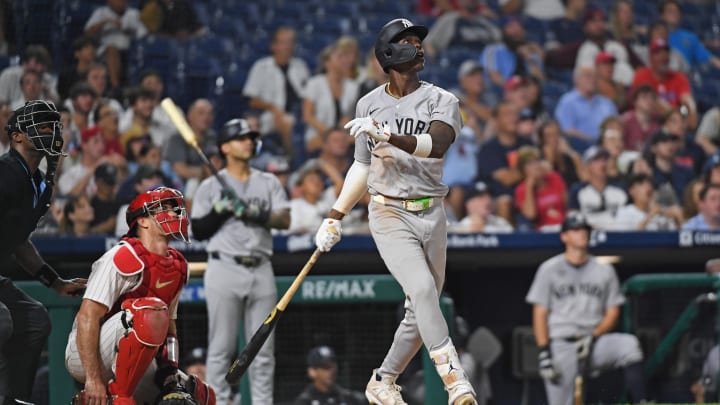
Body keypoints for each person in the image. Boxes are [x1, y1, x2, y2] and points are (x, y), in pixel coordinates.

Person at [313, 18, 478, 405]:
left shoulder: (443, 100)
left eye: (419, 40)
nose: (417, 46)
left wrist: (386, 135)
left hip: (432, 212)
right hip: (389, 212)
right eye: (408, 41)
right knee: (422, 291)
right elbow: (362, 166)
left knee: (421, 310)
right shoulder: (368, 103)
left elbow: (436, 145)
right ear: (388, 52)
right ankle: (454, 379)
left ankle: (382, 381)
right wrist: (334, 215)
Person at [65, 187, 215, 405]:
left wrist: (169, 372)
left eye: (174, 209)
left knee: (200, 396)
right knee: (148, 310)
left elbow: (170, 330)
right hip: (88, 353)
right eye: (163, 209)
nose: (173, 214)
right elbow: (87, 317)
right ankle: (118, 398)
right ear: (142, 221)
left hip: (132, 357)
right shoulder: (122, 255)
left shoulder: (178, 265)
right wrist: (93, 379)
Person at [191, 118, 290, 404]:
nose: (248, 141)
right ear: (225, 147)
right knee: (221, 349)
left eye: (250, 137)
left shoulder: (267, 181)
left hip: (261, 268)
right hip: (224, 267)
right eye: (241, 138)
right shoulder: (210, 186)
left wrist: (253, 213)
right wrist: (223, 209)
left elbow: (284, 219)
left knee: (262, 351)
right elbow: (198, 230)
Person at [0, 100, 87, 403]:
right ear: (17, 136)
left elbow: (18, 242)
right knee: (2, 320)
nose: (50, 132)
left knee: (36, 320)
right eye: (42, 126)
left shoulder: (38, 183)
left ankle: (15, 400)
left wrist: (56, 283)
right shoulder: (5, 172)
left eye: (53, 126)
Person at [526, 213, 647, 405]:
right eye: (576, 230)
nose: (582, 233)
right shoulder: (549, 269)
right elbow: (540, 312)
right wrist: (544, 351)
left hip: (594, 342)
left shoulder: (604, 269)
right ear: (564, 236)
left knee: (629, 346)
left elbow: (613, 310)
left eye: (585, 230)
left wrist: (595, 334)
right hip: (561, 345)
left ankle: (642, 401)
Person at [294, 345, 366, 405]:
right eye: (325, 367)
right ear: (312, 372)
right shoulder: (304, 401)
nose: (331, 371)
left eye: (333, 366)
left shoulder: (350, 398)